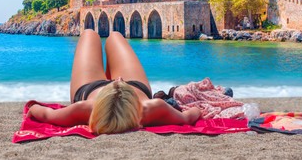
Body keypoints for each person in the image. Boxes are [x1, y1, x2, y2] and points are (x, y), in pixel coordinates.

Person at [28, 29, 201, 134]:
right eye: (120, 82)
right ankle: (112, 42)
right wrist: (197, 108)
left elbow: (40, 112)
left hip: (89, 89)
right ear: (134, 103)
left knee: (89, 34)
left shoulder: (83, 109)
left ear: (99, 104)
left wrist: (33, 109)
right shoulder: (152, 108)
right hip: (136, 87)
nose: (118, 79)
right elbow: (190, 116)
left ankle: (95, 37)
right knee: (115, 36)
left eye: (115, 82)